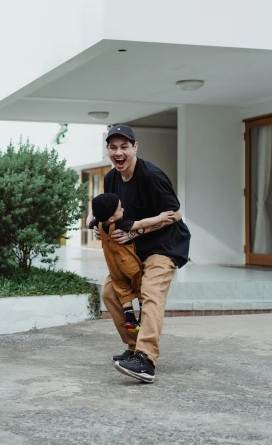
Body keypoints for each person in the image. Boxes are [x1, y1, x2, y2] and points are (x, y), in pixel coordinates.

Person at [87, 124, 191, 384]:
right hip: (133, 251)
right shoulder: (111, 178)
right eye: (113, 147)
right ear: (107, 150)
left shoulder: (152, 175)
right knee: (110, 293)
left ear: (135, 147)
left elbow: (175, 214)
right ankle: (134, 348)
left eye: (124, 146)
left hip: (165, 245)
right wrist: (100, 229)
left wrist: (135, 233)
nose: (118, 152)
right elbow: (105, 211)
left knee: (151, 291)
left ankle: (146, 359)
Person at [90, 193, 182, 334]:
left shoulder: (99, 224)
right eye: (120, 210)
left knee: (123, 291)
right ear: (111, 218)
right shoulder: (121, 225)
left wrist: (92, 211)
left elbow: (88, 222)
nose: (123, 211)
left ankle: (129, 318)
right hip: (130, 265)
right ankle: (141, 317)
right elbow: (142, 224)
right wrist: (160, 218)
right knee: (140, 288)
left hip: (114, 269)